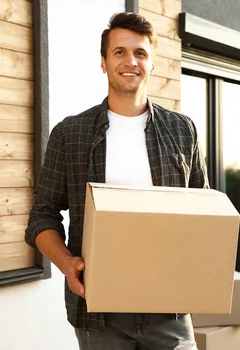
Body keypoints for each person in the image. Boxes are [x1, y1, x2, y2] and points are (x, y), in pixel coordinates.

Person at [25, 12, 207, 350]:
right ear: (103, 62)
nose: (130, 61)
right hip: (99, 314)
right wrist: (66, 263)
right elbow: (42, 216)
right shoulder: (70, 134)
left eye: (140, 53)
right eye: (119, 52)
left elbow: (204, 214)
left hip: (169, 311)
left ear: (152, 64)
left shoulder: (183, 130)